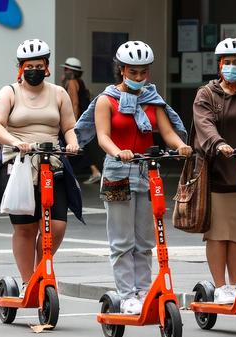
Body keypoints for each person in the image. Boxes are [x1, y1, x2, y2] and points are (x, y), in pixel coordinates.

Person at [75, 41, 190, 314]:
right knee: (122, 239)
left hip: (147, 171)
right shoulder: (107, 100)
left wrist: (180, 146)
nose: (139, 77)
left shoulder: (152, 99)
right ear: (121, 70)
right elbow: (102, 136)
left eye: (143, 72)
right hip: (117, 170)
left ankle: (144, 290)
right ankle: (127, 294)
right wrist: (118, 152)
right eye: (133, 72)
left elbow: (167, 131)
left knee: (145, 238)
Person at [0, 39, 80, 297]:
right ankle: (29, 281)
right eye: (30, 66)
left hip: (52, 163)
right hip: (18, 165)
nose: (35, 70)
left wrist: (72, 143)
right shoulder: (10, 93)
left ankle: (42, 271)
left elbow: (69, 127)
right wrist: (16, 142)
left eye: (40, 65)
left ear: (47, 66)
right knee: (26, 227)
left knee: (57, 225)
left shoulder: (58, 93)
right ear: (20, 67)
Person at [193, 38, 236, 304]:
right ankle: (220, 286)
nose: (232, 67)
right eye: (227, 62)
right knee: (218, 234)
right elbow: (204, 124)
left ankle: (235, 284)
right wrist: (219, 144)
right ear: (219, 65)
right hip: (217, 173)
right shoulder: (206, 94)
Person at [61, 57, 102, 184]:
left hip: (78, 119)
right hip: (84, 118)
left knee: (77, 146)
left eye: (66, 68)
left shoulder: (72, 82)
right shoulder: (79, 81)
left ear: (70, 71)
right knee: (80, 146)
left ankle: (95, 171)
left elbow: (74, 103)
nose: (64, 70)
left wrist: (73, 122)